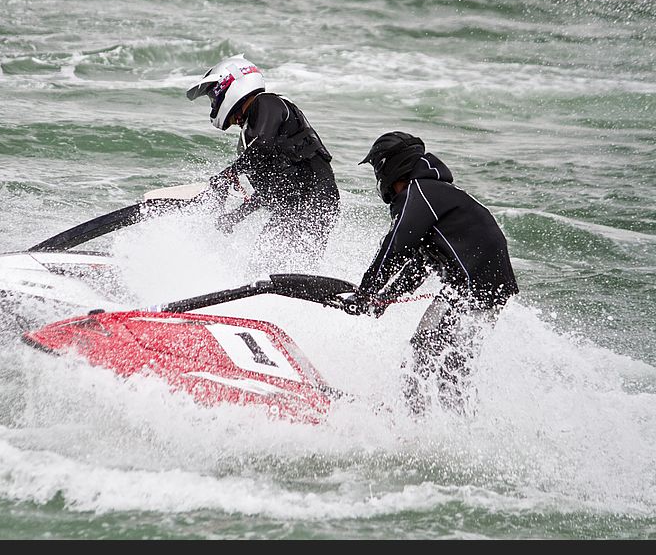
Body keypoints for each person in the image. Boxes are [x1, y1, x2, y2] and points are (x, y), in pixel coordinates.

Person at [344, 131, 518, 415]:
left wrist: (365, 293)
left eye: (378, 168)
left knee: (420, 357)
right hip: (482, 291)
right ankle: (452, 427)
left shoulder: (419, 193)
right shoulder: (437, 194)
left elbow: (395, 246)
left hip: (470, 290)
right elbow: (419, 263)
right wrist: (385, 298)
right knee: (451, 367)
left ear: (392, 167)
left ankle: (411, 423)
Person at [186, 54, 340, 263]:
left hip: (315, 199)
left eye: (213, 98)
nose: (213, 105)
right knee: (260, 262)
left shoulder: (266, 103)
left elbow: (263, 147)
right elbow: (270, 190)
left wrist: (229, 173)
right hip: (295, 206)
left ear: (229, 86)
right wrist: (236, 216)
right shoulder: (252, 133)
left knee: (287, 259)